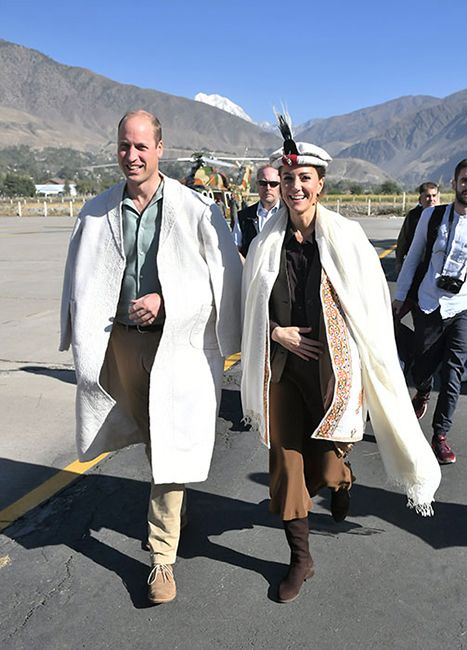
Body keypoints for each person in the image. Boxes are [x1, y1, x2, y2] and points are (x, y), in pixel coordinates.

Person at [241, 114, 440, 604]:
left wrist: (358, 363)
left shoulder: (347, 237)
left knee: (327, 470)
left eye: (303, 179)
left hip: (333, 372)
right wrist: (275, 332)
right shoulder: (266, 241)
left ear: (320, 184)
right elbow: (247, 309)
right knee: (287, 467)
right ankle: (300, 559)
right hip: (283, 371)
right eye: (287, 180)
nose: (294, 188)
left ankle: (343, 479)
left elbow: (369, 308)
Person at [60, 109, 242, 605]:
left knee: (168, 441)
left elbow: (223, 278)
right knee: (151, 436)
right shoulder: (97, 211)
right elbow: (77, 274)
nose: (132, 155)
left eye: (142, 146)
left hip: (175, 343)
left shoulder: (195, 208)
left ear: (161, 148)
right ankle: (175, 508)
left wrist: (168, 302)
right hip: (120, 344)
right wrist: (70, 330)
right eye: (124, 145)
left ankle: (162, 559)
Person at [393, 159, 467, 465]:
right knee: (422, 369)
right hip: (429, 303)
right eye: (464, 180)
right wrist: (400, 297)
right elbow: (413, 258)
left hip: (462, 306)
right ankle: (422, 389)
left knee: (454, 372)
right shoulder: (432, 216)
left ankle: (440, 435)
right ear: (454, 184)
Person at [232, 165, 281, 257]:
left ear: (280, 186)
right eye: (263, 183)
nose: (268, 188)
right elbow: (235, 248)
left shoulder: (289, 214)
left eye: (273, 184)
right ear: (257, 185)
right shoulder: (243, 217)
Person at [395, 182, 440, 275]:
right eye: (428, 196)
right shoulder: (413, 216)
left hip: (436, 265)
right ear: (420, 199)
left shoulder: (445, 215)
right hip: (416, 264)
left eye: (434, 195)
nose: (431, 199)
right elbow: (403, 239)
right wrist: (399, 261)